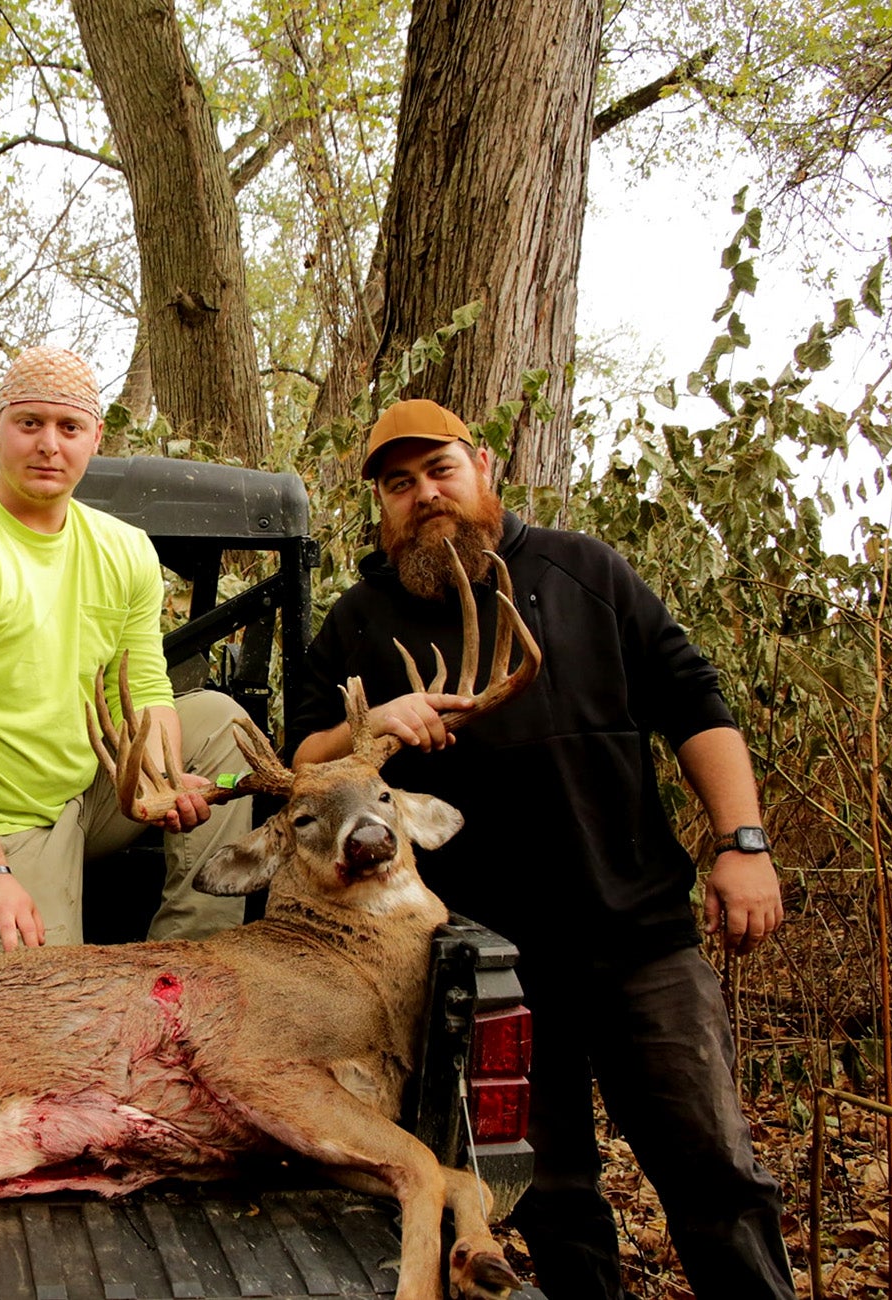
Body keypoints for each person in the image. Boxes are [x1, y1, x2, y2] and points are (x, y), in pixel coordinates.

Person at [289, 398, 793, 1299]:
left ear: (483, 466)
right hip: (486, 966)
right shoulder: (360, 621)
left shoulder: (584, 569)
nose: (423, 495)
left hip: (638, 940)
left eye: (439, 470)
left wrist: (742, 843)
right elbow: (301, 758)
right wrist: (370, 724)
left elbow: (694, 703)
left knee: (715, 1174)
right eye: (399, 485)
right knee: (549, 1199)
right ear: (381, 507)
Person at [0, 346, 252, 961]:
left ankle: (191, 964)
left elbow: (145, 687)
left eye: (69, 427)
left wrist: (162, 779)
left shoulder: (125, 550)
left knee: (220, 722)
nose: (50, 444)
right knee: (52, 996)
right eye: (30, 423)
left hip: (86, 795)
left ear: (94, 438)